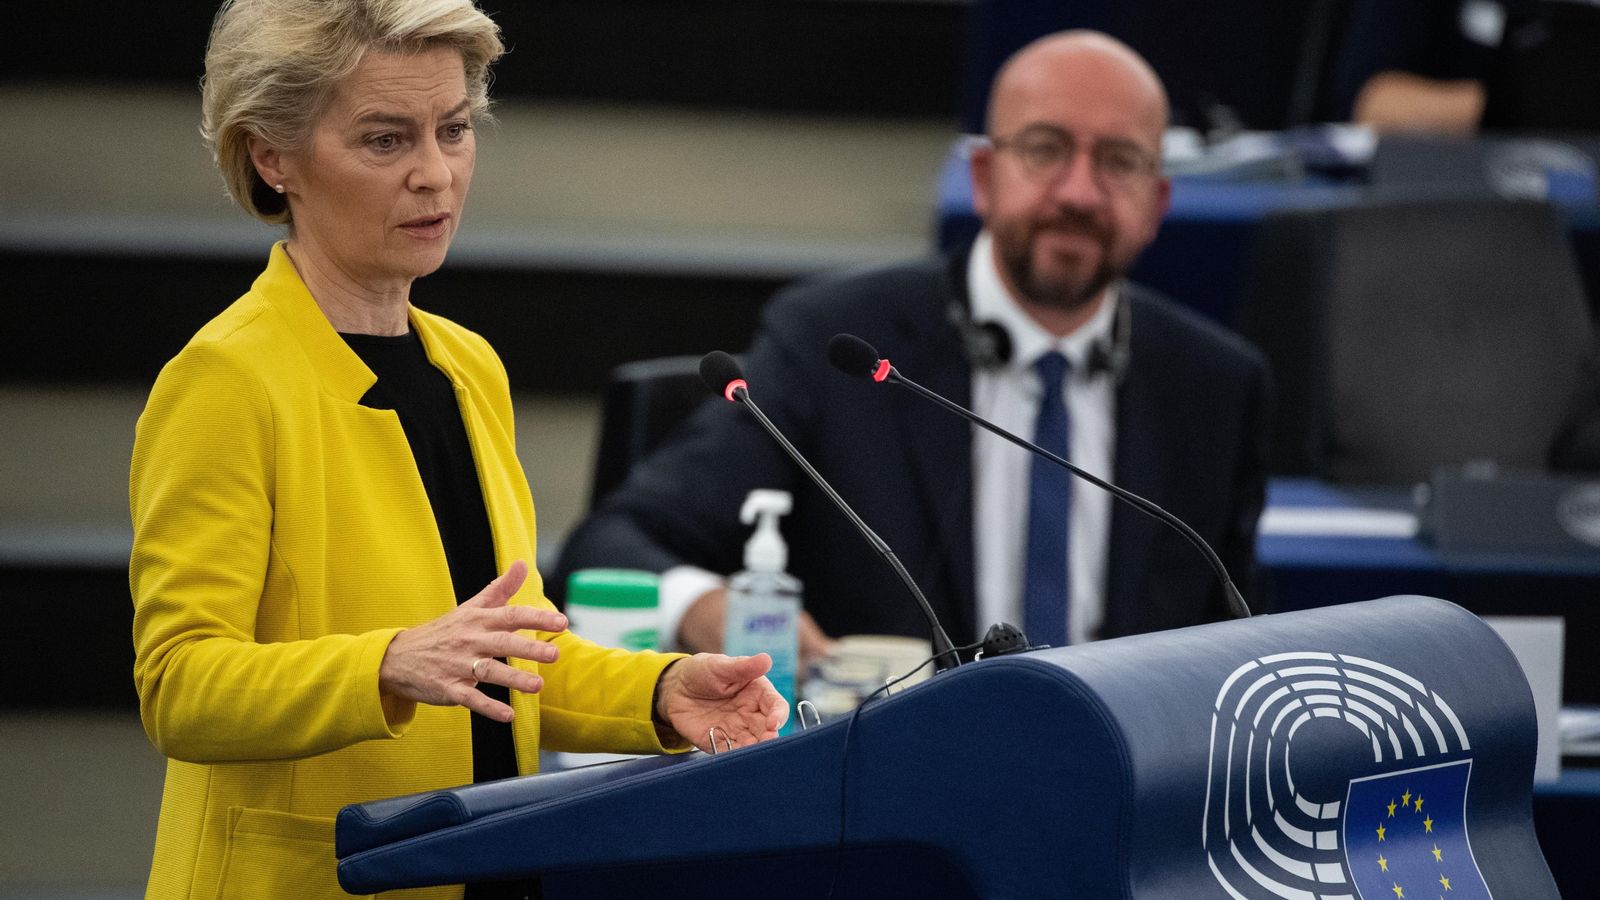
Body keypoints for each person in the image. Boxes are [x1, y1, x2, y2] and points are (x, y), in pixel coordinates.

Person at [128, 2, 785, 898]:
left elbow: (492, 659)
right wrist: (386, 663)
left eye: (453, 130)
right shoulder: (226, 382)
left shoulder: (468, 366)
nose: (436, 175)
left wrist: (662, 692)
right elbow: (181, 686)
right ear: (272, 157)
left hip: (483, 864)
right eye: (386, 140)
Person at [555, 32, 1271, 661]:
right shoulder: (839, 342)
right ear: (986, 178)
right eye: (1046, 150)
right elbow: (615, 544)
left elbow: (1228, 642)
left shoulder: (1215, 386)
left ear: (1158, 204)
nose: (1079, 193)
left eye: (1119, 161)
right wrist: (710, 609)